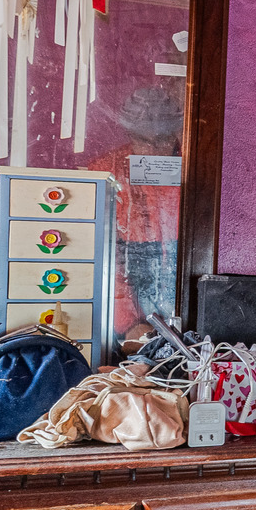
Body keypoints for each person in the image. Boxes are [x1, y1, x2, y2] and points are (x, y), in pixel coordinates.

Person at [86, 85, 182, 343]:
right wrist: (128, 325)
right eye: (144, 140)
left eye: (162, 139)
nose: (153, 150)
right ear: (129, 134)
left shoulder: (192, 170)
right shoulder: (106, 172)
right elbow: (105, 257)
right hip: (127, 311)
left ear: (175, 133)